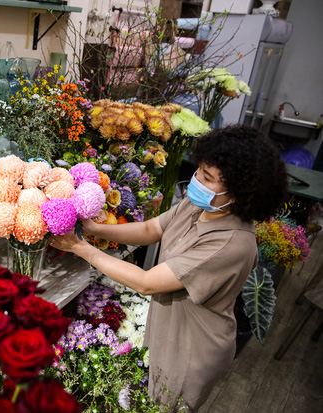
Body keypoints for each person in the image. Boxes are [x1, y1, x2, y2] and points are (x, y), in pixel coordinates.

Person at [50, 126, 288, 411]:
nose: (197, 180)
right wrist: (94, 228)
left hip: (190, 348)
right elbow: (152, 228)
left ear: (238, 193)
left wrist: (80, 247)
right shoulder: (205, 206)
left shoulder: (230, 244)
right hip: (166, 327)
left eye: (208, 178)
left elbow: (146, 282)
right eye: (200, 170)